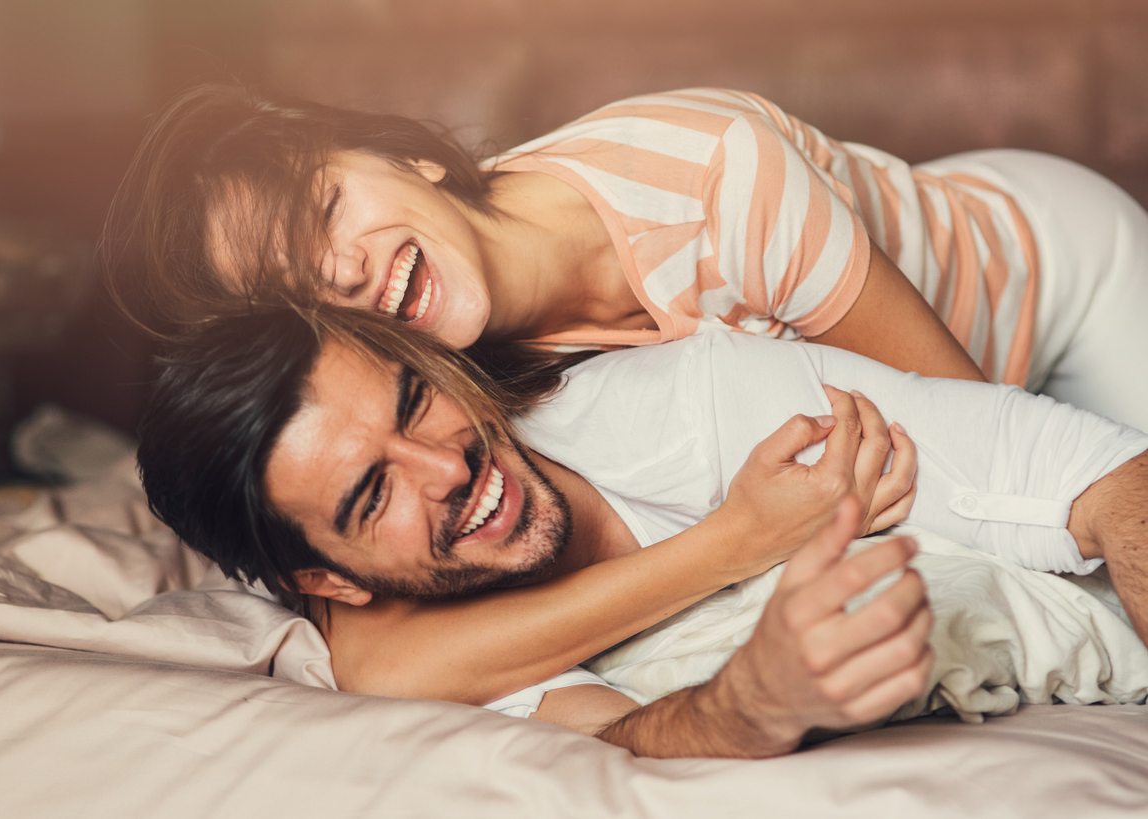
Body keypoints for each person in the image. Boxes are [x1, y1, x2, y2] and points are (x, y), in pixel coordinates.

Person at [136, 306, 1148, 749]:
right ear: (333, 583)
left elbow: (1116, 481)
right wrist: (752, 698)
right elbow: (624, 739)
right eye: (372, 495)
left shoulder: (701, 403)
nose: (450, 468)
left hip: (1059, 270)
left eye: (412, 401)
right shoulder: (424, 660)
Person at [107, 85, 1148, 431]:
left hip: (1047, 265)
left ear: (413, 158)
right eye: (290, 292)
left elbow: (981, 438)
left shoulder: (716, 182)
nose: (335, 276)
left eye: (325, 209)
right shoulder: (423, 371)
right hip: (882, 232)